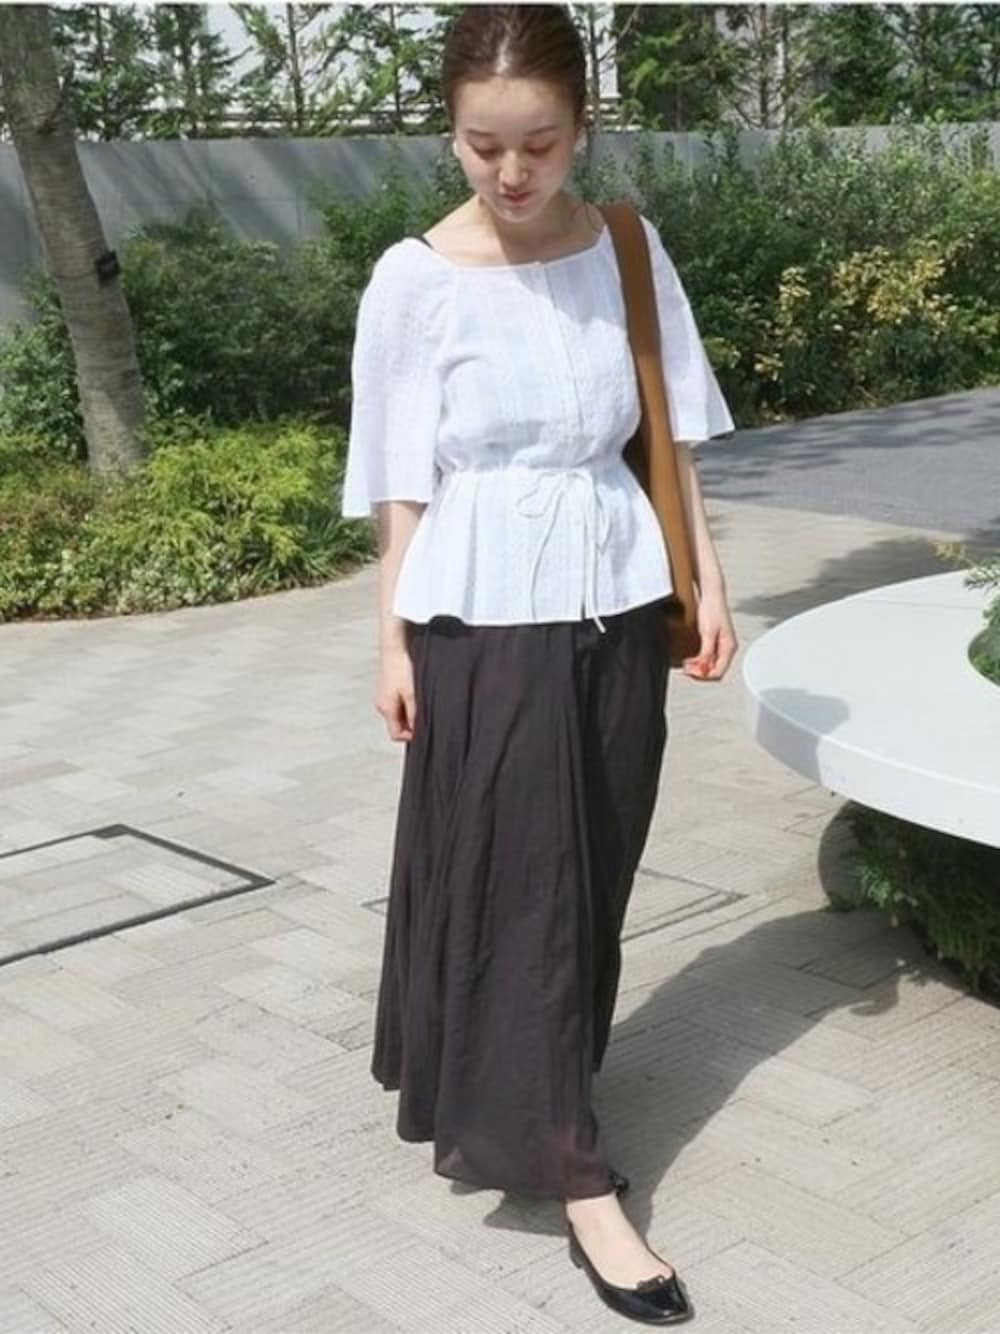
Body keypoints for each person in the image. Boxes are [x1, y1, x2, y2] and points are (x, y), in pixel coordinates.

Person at [341, 4, 738, 1324]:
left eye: (541, 143)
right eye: (483, 145)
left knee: (599, 863)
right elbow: (399, 477)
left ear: (582, 125)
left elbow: (671, 429)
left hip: (619, 591)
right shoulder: (415, 280)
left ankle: (535, 1075)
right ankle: (578, 1173)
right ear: (451, 132)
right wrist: (391, 637)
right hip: (482, 615)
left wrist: (707, 578)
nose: (512, 172)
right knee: (527, 884)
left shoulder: (623, 244)